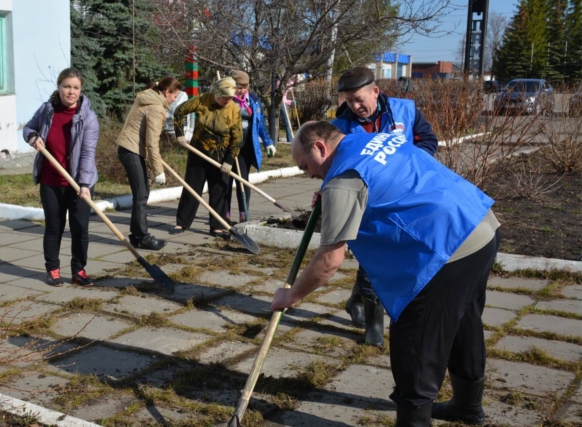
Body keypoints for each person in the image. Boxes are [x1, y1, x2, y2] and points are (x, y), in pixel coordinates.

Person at [272, 121, 499, 426]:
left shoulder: (343, 182)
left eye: (305, 166)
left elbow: (330, 260)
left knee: (416, 349)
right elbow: (379, 182)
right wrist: (331, 196)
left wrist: (292, 294)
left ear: (320, 148)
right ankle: (467, 406)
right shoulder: (373, 140)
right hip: (479, 225)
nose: (309, 174)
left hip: (444, 250)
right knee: (463, 322)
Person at [332, 66, 439, 347]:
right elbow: (335, 165)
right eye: (349, 101)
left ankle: (356, 301)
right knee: (373, 260)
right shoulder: (341, 126)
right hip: (368, 205)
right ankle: (374, 325)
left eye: (359, 99)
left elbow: (428, 140)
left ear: (375, 92)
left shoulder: (405, 111)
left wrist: (406, 162)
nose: (356, 107)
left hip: (405, 199)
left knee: (391, 258)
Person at [23, 68, 100, 287]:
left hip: (79, 183)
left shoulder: (88, 118)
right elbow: (28, 127)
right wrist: (32, 137)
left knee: (79, 227)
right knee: (53, 226)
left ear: (80, 90)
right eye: (67, 86)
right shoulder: (47, 110)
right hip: (51, 181)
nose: (71, 91)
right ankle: (53, 270)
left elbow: (87, 153)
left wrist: (84, 184)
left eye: (75, 87)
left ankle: (79, 270)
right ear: (59, 87)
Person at [169, 77, 243, 238]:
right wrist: (180, 135)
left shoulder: (233, 109)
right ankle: (182, 223)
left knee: (220, 190)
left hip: (221, 155)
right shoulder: (203, 100)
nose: (228, 101)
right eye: (225, 97)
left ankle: (217, 226)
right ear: (217, 93)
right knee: (191, 188)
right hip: (198, 152)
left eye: (231, 98)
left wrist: (229, 161)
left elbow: (237, 137)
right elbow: (179, 111)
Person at [117, 77, 183, 250]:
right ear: (167, 92)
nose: (174, 100)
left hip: (128, 148)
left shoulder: (148, 98)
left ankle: (137, 236)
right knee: (141, 195)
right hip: (131, 150)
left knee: (142, 192)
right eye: (174, 96)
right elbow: (152, 142)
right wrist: (158, 171)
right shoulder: (156, 108)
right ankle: (142, 237)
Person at [224, 70, 276, 223]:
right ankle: (224, 214)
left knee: (243, 180)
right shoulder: (225, 99)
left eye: (245, 86)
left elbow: (260, 122)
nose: (243, 90)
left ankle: (243, 213)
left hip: (246, 146)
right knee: (225, 181)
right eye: (240, 87)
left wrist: (268, 142)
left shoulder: (253, 100)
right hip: (227, 145)